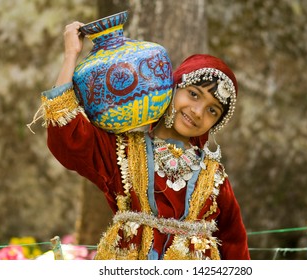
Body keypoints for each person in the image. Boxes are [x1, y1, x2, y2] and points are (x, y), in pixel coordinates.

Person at [39, 21, 250, 260]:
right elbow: (67, 136)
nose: (198, 111)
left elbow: (236, 247)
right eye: (193, 94)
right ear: (173, 86)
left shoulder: (214, 178)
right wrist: (70, 55)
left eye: (213, 110)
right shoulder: (123, 154)